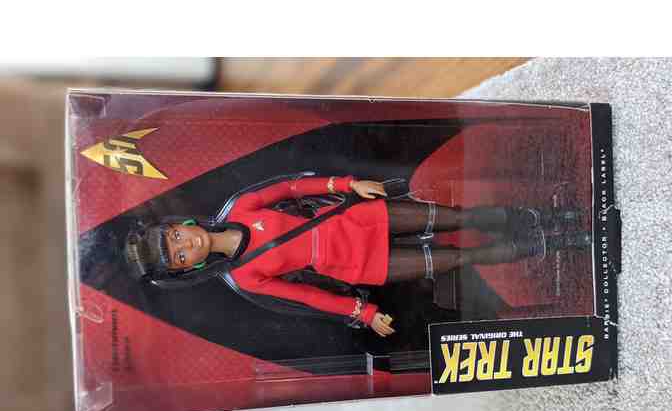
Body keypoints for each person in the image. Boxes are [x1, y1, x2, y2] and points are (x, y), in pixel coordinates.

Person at [125, 175, 589, 337]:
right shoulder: (244, 276)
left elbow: (291, 188)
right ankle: (550, 243)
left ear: (184, 224)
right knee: (461, 259)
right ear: (189, 267)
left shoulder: (243, 208)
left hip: (356, 221)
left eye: (176, 237)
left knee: (455, 218)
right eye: (178, 256)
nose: (185, 246)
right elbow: (306, 297)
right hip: (358, 266)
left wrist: (345, 184)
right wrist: (361, 312)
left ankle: (548, 217)